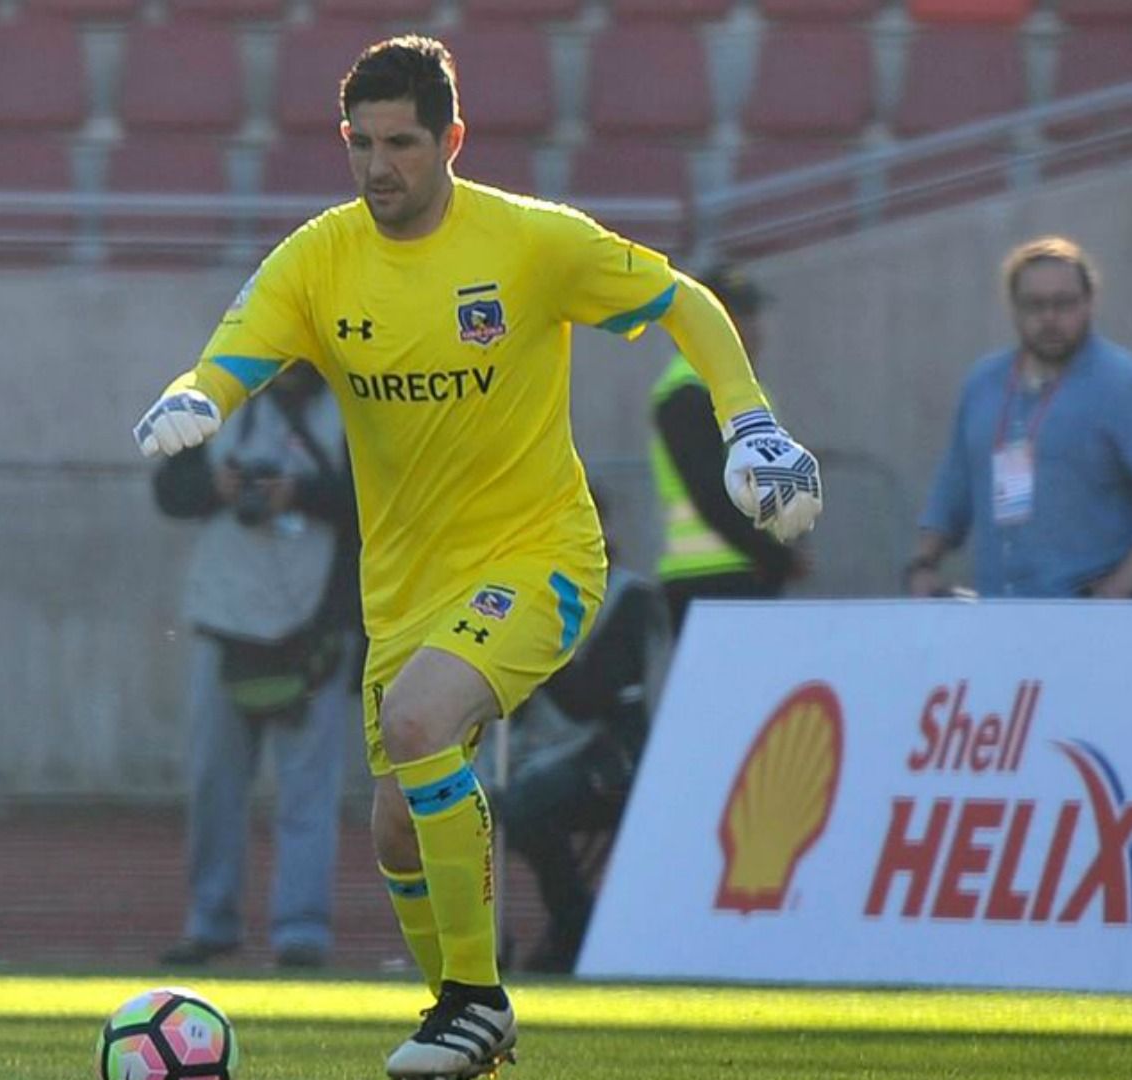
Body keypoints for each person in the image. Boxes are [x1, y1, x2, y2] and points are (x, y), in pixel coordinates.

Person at [132, 35, 823, 1080]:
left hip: (539, 553)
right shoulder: (322, 255)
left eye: (402, 143)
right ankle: (467, 1037)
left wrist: (753, 426)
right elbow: (243, 346)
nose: (378, 168)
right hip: (403, 589)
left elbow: (685, 301)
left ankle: (473, 1000)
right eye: (360, 143)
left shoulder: (530, 244)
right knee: (397, 828)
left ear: (452, 139)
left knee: (418, 724)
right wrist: (201, 397)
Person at [152, 363, 360, 970]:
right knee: (214, 786)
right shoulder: (216, 401)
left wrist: (300, 494)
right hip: (226, 620)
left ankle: (302, 933)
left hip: (314, 628)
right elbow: (169, 489)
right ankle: (210, 922)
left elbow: (383, 499)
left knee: (307, 793)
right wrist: (216, 486)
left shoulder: (351, 408)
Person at [907, 236, 1132, 599]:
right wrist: (923, 564)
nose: (1049, 318)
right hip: (999, 611)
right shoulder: (984, 384)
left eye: (1064, 304)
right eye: (1034, 305)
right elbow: (953, 484)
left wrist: (1128, 578)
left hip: (1087, 614)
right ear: (1014, 309)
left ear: (1089, 303)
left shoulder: (1120, 382)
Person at [497, 492, 668, 974]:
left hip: (612, 756)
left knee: (527, 806)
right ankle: (483, 946)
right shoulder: (523, 596)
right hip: (538, 751)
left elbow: (591, 698)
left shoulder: (627, 598)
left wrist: (541, 637)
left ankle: (576, 928)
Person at [650, 265, 806, 635]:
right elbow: (711, 492)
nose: (754, 328)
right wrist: (775, 554)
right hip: (709, 578)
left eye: (753, 314)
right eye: (741, 315)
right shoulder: (686, 393)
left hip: (747, 572)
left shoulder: (740, 390)